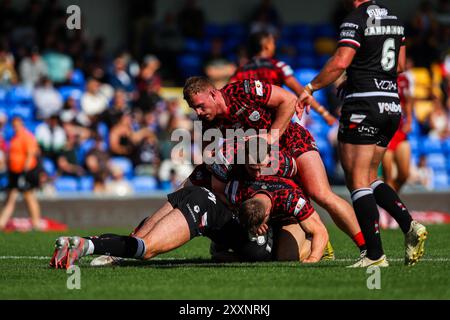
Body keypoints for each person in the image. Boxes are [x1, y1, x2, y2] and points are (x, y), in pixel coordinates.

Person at [298, 0, 427, 267]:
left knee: (357, 181)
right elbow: (399, 66)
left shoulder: (355, 19)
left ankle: (375, 256)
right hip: (391, 105)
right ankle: (409, 225)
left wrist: (310, 87)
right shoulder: (394, 19)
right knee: (369, 177)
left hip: (364, 104)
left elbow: (340, 61)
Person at [183, 76, 367, 257]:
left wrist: (271, 137)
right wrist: (226, 156)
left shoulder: (243, 91)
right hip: (260, 160)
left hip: (290, 140)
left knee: (321, 193)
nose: (198, 112)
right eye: (194, 108)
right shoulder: (206, 121)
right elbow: (208, 157)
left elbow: (289, 100)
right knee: (193, 184)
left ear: (214, 94)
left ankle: (367, 247)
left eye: (200, 106)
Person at [231, 31, 337, 125]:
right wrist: (324, 113)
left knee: (255, 147)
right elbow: (300, 91)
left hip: (249, 122)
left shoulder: (241, 70)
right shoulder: (278, 67)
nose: (275, 46)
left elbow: (228, 93)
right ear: (266, 46)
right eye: (272, 42)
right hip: (274, 122)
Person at [0, 117, 42, 231]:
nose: (15, 127)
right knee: (11, 196)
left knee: (28, 196)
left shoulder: (26, 137)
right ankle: (2, 222)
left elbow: (30, 154)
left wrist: (24, 172)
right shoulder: (14, 138)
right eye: (14, 125)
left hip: (25, 171)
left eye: (17, 125)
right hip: (15, 172)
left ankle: (36, 222)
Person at [382, 73, 413, 192]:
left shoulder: (403, 79)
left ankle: (390, 200)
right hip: (385, 132)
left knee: (404, 174)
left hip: (400, 131)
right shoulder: (379, 76)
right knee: (388, 176)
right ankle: (389, 206)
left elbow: (408, 100)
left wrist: (409, 120)